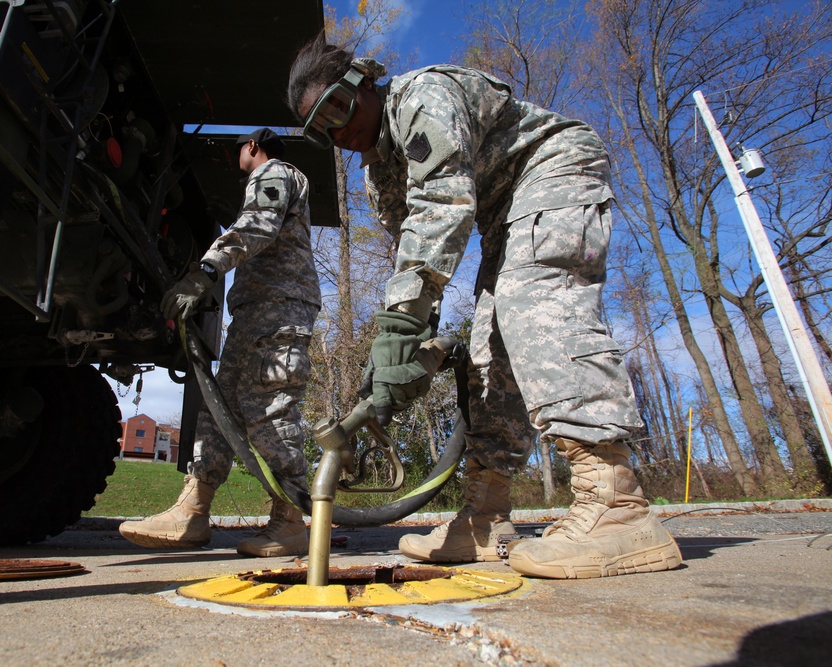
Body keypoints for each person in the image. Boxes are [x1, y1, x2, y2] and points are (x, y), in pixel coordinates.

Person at [286, 37, 682, 578]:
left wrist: (400, 325)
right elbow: (415, 255)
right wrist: (394, 361)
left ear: (364, 83)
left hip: (554, 170)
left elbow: (443, 209)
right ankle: (485, 516)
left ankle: (617, 506)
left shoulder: (422, 97)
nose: (337, 131)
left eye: (336, 108)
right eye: (320, 130)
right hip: (503, 216)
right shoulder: (380, 174)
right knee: (488, 349)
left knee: (533, 302)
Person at [118, 128, 321, 558]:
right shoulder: (274, 178)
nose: (237, 162)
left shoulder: (274, 172)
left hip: (280, 310)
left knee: (271, 408)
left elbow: (259, 224)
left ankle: (290, 521)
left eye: (238, 154)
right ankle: (192, 511)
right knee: (219, 411)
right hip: (254, 313)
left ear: (252, 147)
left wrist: (205, 272)